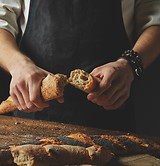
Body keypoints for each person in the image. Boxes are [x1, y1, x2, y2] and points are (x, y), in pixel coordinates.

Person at [0, 0, 160, 133]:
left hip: (110, 116)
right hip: (33, 115)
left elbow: (155, 22)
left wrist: (129, 65)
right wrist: (19, 66)